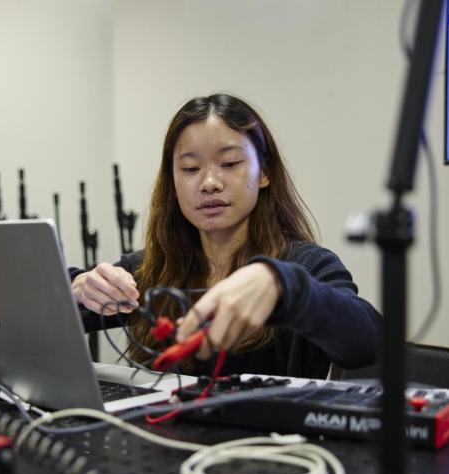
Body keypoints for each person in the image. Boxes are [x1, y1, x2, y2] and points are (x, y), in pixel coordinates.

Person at [69, 93, 381, 378]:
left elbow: (368, 343)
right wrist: (78, 287)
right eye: (190, 168)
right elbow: (36, 316)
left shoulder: (306, 264)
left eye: (229, 163)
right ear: (173, 183)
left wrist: (285, 286)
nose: (209, 182)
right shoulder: (152, 269)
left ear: (265, 172)